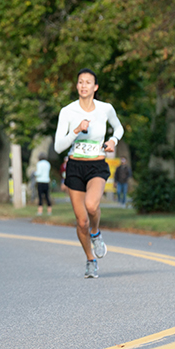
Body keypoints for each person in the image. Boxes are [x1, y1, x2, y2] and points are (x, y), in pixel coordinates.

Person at [54, 68, 124, 279]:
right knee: (81, 220)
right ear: (77, 86)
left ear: (95, 87)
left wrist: (113, 141)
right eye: (80, 82)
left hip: (97, 165)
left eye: (88, 82)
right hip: (75, 166)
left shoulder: (105, 109)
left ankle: (96, 233)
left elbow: (118, 128)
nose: (83, 86)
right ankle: (90, 260)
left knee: (92, 206)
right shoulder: (67, 112)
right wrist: (75, 130)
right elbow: (58, 147)